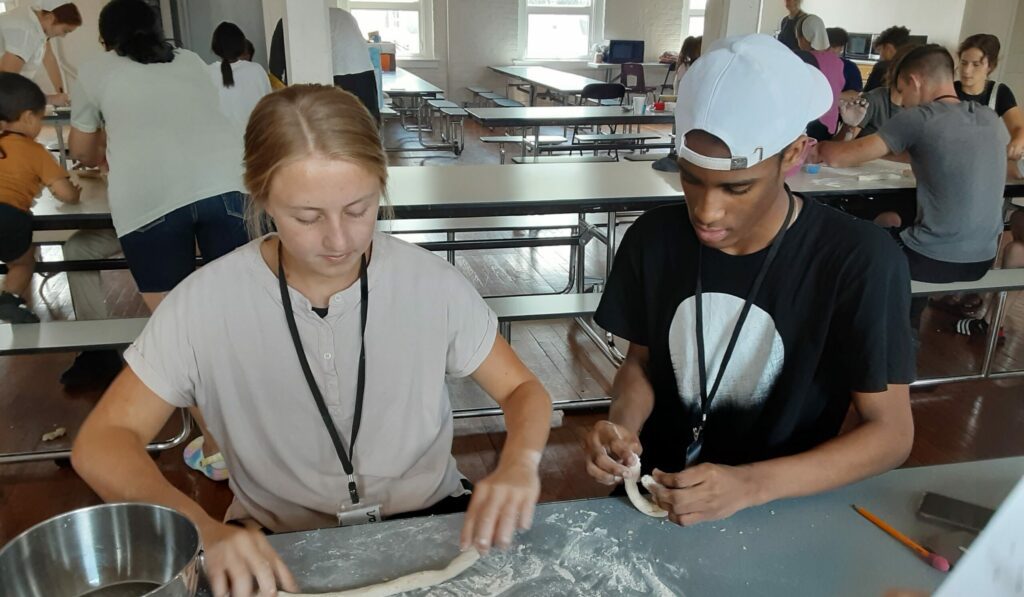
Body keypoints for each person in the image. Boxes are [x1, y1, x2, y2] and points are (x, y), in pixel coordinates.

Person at [71, 84, 553, 597]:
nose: (339, 240)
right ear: (259, 198)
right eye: (307, 217)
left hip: (433, 523)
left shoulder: (430, 283)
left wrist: (520, 462)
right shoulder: (204, 303)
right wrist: (202, 528)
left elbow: (523, 389)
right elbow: (102, 443)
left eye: (359, 208)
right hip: (278, 545)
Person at [585, 34, 915, 527]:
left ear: (794, 155)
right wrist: (622, 427)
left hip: (782, 505)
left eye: (736, 187)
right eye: (690, 179)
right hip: (660, 495)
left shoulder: (858, 260)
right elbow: (641, 364)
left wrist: (752, 485)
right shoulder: (654, 239)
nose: (706, 211)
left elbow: (890, 433)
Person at [68, 0, 250, 465]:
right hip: (227, 188)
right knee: (235, 316)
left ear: (106, 39)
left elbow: (82, 149)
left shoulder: (95, 69)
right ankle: (260, 436)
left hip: (148, 203)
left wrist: (101, 151)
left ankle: (218, 446)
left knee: (176, 328)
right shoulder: (189, 60)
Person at [816, 45, 1006, 334]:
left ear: (916, 81)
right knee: (889, 223)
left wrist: (815, 146)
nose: (902, 103)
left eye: (903, 92)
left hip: (931, 259)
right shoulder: (989, 118)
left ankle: (874, 336)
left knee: (842, 241)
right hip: (983, 259)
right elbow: (925, 155)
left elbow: (837, 156)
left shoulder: (920, 117)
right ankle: (906, 329)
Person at [950, 34, 1024, 331]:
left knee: (988, 219)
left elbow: (1018, 126)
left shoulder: (998, 94)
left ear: (990, 66)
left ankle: (974, 284)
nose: (967, 71)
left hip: (985, 175)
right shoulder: (950, 92)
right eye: (963, 63)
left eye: (975, 64)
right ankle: (957, 285)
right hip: (954, 171)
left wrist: (1018, 139)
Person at [0, 72, 79, 323]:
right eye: (40, 119)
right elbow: (65, 193)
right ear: (27, 117)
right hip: (9, 216)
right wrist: (74, 193)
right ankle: (9, 299)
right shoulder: (35, 151)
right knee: (22, 263)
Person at [0, 2, 80, 106]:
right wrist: (48, 99)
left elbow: (49, 58)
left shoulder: (38, 25)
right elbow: (6, 80)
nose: (62, 36)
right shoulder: (25, 31)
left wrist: (61, 94)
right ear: (50, 18)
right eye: (65, 31)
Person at [208, 22, 272, 136]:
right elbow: (270, 108)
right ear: (242, 45)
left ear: (215, 48)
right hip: (255, 142)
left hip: (221, 144)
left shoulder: (207, 74)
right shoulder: (256, 70)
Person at [797, 15, 843, 140]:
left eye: (799, 37)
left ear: (806, 37)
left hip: (808, 125)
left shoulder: (801, 58)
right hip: (830, 126)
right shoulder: (838, 61)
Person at [329, 7, 379, 123]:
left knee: (344, 117)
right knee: (367, 115)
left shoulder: (314, 19)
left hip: (341, 70)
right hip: (363, 68)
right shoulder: (343, 14)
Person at [864, 26, 911, 92]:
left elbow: (867, 94)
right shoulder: (915, 65)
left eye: (880, 50)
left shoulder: (882, 67)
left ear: (889, 48)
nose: (880, 56)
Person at [826, 27, 863, 96]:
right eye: (827, 46)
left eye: (834, 47)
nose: (829, 50)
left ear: (841, 48)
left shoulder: (850, 67)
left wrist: (829, 97)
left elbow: (855, 93)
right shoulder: (813, 63)